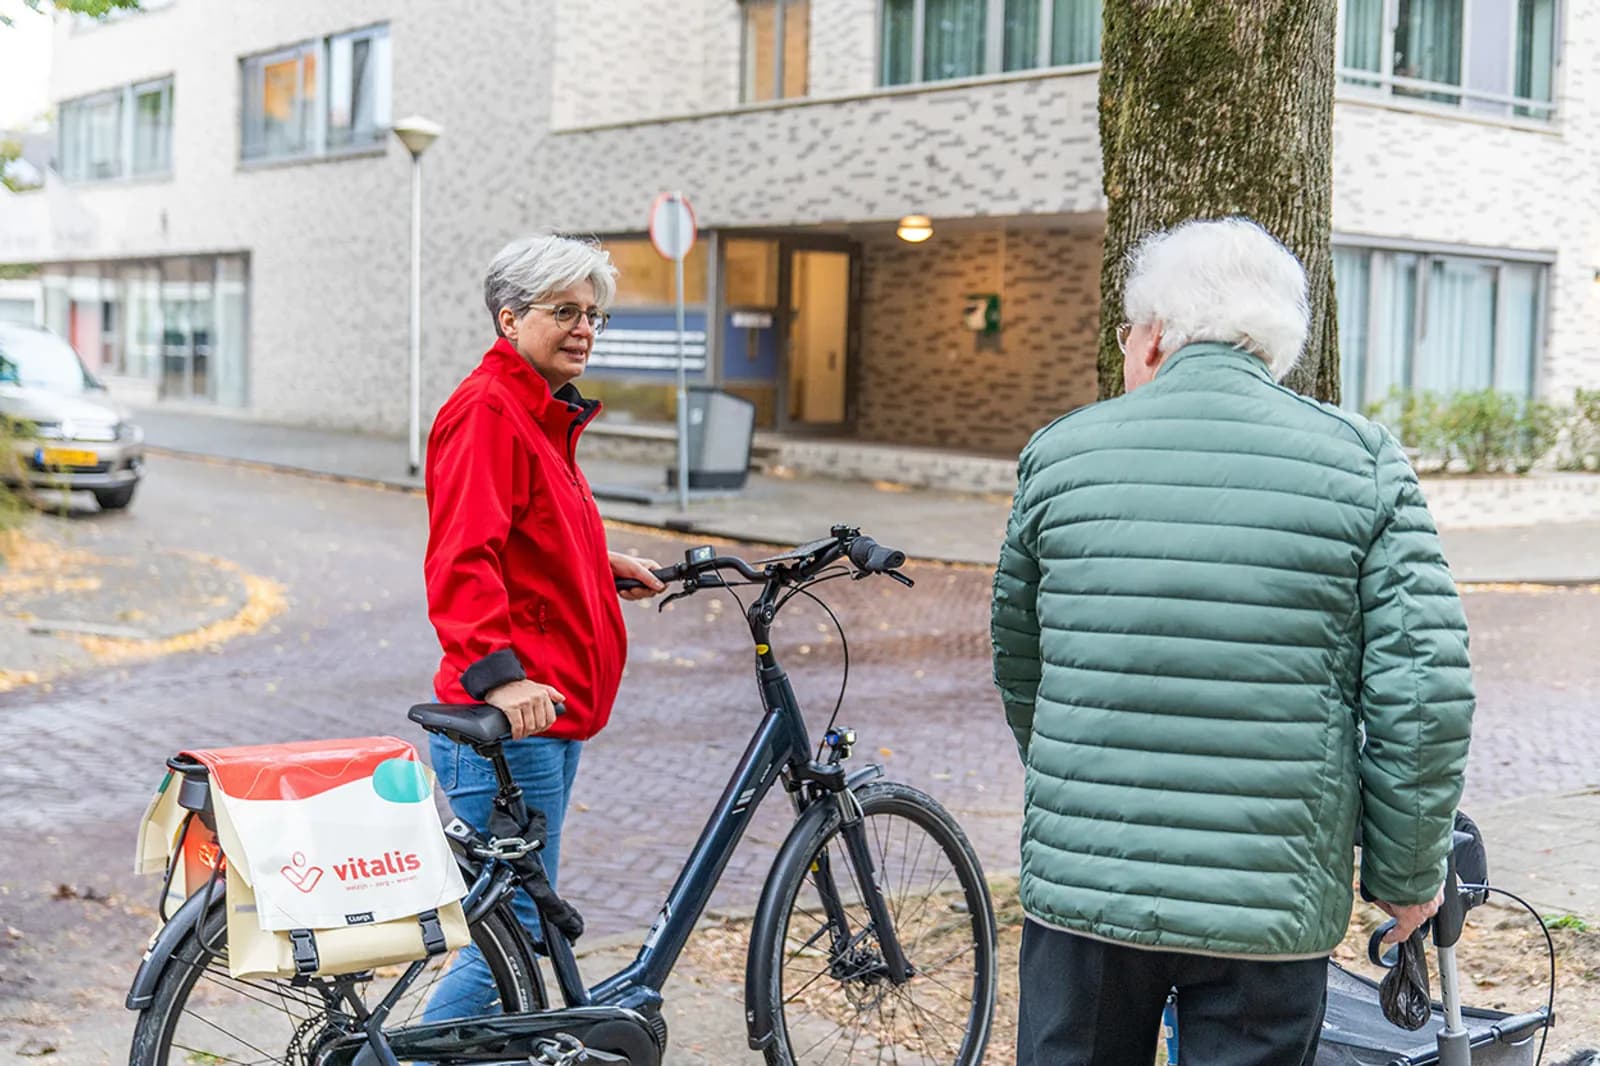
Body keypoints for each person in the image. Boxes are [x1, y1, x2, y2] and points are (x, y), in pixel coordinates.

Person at [991, 217, 1474, 1065]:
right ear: (1275, 338)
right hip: (1269, 894)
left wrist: (1083, 789)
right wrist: (1404, 874)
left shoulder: (1060, 455)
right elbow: (1421, 693)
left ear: (1152, 332)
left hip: (1089, 882)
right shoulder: (1360, 463)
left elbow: (1022, 660)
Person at [421, 234, 665, 1020]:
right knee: (511, 941)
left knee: (514, 935)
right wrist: (502, 675)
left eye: (593, 314)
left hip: (545, 720)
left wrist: (598, 562)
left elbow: (526, 534)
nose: (584, 328)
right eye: (564, 311)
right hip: (509, 722)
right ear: (510, 317)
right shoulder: (490, 410)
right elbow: (462, 558)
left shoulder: (538, 413)